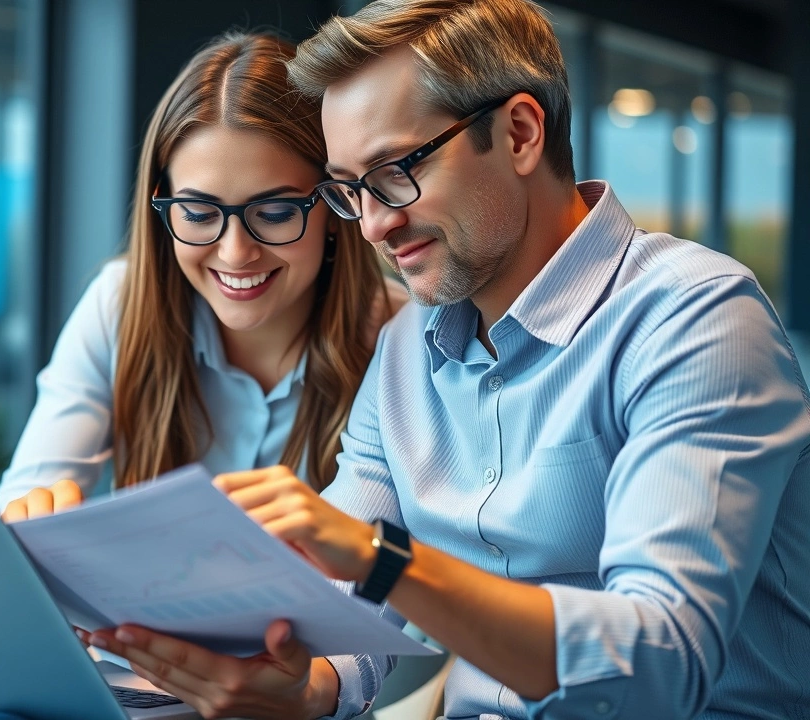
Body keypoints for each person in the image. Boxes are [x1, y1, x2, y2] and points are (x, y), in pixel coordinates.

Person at [83, 1, 810, 719]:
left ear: (520, 132)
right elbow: (342, 613)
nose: (372, 224)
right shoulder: (407, 348)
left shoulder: (696, 317)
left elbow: (660, 665)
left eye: (396, 170)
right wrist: (306, 685)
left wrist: (385, 560)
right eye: (350, 190)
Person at [0, 31, 405, 720]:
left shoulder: (399, 342)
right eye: (199, 213)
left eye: (273, 211)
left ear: (334, 208)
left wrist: (311, 689)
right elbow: (31, 488)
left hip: (269, 696)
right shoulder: (123, 304)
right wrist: (30, 527)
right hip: (127, 678)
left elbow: (380, 597)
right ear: (162, 207)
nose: (235, 251)